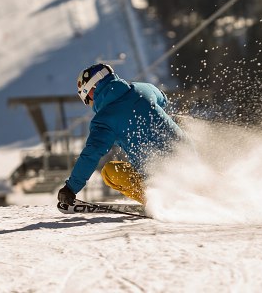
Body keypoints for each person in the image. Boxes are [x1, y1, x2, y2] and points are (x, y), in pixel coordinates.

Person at [57, 63, 184, 206]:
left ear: (92, 90)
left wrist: (70, 188)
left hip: (160, 177)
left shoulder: (104, 120)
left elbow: (91, 154)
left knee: (109, 172)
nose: (89, 103)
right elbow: (163, 99)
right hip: (189, 158)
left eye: (86, 98)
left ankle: (159, 201)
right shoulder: (144, 88)